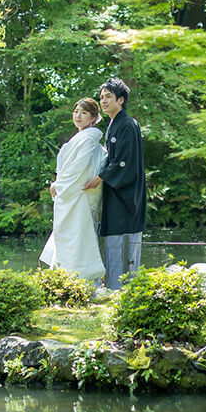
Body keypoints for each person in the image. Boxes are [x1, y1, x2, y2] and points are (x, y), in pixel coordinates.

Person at [83, 77, 146, 289]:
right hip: (115, 191)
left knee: (124, 242)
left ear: (121, 100)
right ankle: (114, 287)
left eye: (108, 96)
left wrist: (99, 177)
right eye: (101, 97)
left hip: (127, 194)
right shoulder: (113, 125)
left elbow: (123, 162)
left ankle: (124, 290)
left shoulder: (128, 125)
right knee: (113, 241)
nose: (103, 101)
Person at [39, 98, 106, 281]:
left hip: (78, 194)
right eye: (76, 112)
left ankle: (79, 279)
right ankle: (67, 277)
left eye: (84, 113)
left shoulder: (89, 140)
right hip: (73, 193)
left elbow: (79, 168)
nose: (78, 116)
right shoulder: (82, 138)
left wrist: (58, 185)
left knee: (79, 237)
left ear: (93, 118)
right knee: (71, 236)